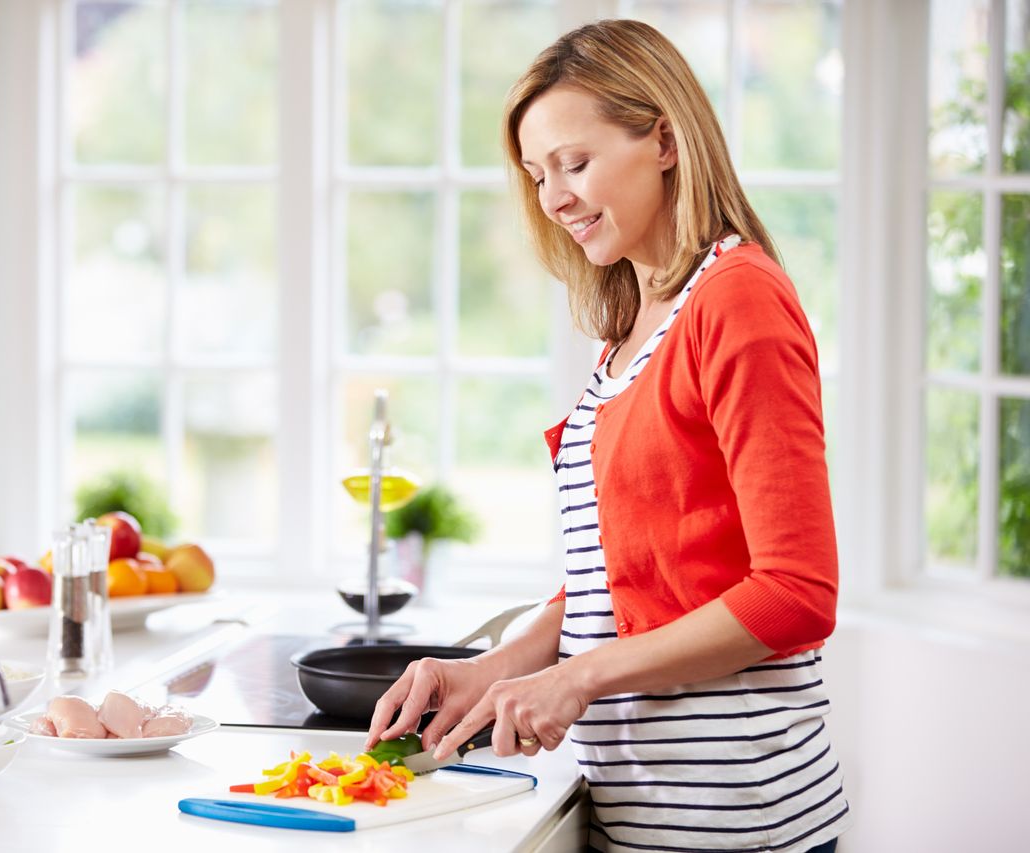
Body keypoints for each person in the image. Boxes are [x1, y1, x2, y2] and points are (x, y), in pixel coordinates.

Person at [364, 19, 850, 853]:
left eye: (575, 163)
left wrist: (577, 677)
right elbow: (624, 575)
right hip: (639, 814)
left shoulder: (735, 300)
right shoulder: (632, 327)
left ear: (663, 140)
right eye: (536, 174)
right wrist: (498, 666)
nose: (554, 198)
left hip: (733, 823)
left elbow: (797, 591)